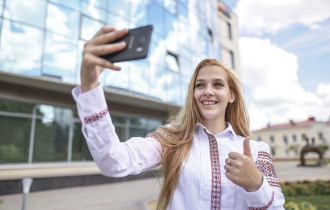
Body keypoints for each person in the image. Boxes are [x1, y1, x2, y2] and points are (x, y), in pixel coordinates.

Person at [72, 26, 285, 210]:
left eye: (217, 84)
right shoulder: (171, 140)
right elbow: (114, 161)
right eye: (200, 85)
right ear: (192, 94)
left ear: (231, 95)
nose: (208, 91)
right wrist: (89, 85)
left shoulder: (256, 151)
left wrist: (256, 184)